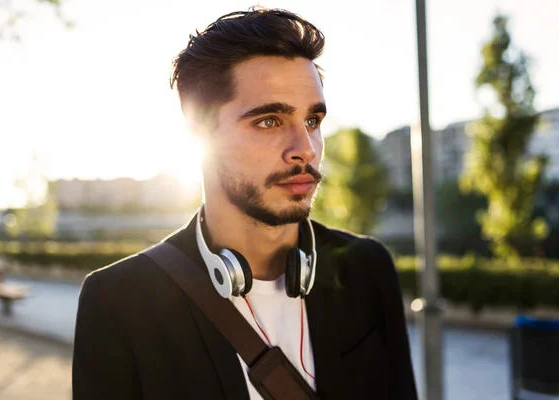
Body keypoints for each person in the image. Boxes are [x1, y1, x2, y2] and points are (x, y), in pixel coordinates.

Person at [72, 7, 418, 400]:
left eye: (313, 121)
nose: (304, 150)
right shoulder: (118, 301)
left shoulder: (366, 269)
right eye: (269, 121)